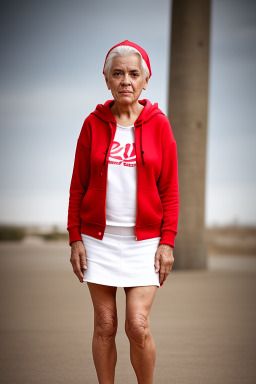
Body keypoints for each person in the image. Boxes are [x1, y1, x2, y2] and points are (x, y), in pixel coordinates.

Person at [67, 40, 179, 384]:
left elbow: (170, 190)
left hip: (144, 241)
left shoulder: (160, 125)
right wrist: (75, 239)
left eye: (133, 74)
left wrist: (167, 241)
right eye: (118, 74)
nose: (125, 80)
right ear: (107, 80)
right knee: (104, 323)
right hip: (96, 238)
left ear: (146, 80)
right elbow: (77, 187)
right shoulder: (92, 124)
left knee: (137, 325)